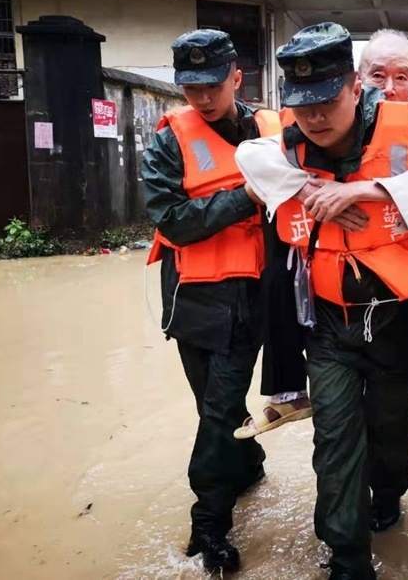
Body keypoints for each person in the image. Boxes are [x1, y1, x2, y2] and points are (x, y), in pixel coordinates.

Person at [242, 22, 408, 579]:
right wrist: (309, 190)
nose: (313, 117)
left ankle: (388, 499)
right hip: (328, 326)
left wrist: (372, 190)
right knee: (336, 441)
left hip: (394, 320)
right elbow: (249, 158)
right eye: (302, 104)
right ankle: (346, 556)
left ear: (352, 87)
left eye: (325, 101)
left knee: (389, 433)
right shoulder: (288, 142)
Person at [141, 29, 281, 574]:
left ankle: (209, 521)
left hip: (256, 294)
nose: (201, 97)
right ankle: (248, 465)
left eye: (212, 85)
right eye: (190, 87)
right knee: (214, 407)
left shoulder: (274, 130)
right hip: (196, 300)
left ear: (236, 78)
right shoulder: (168, 141)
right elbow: (171, 218)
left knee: (220, 408)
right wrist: (245, 197)